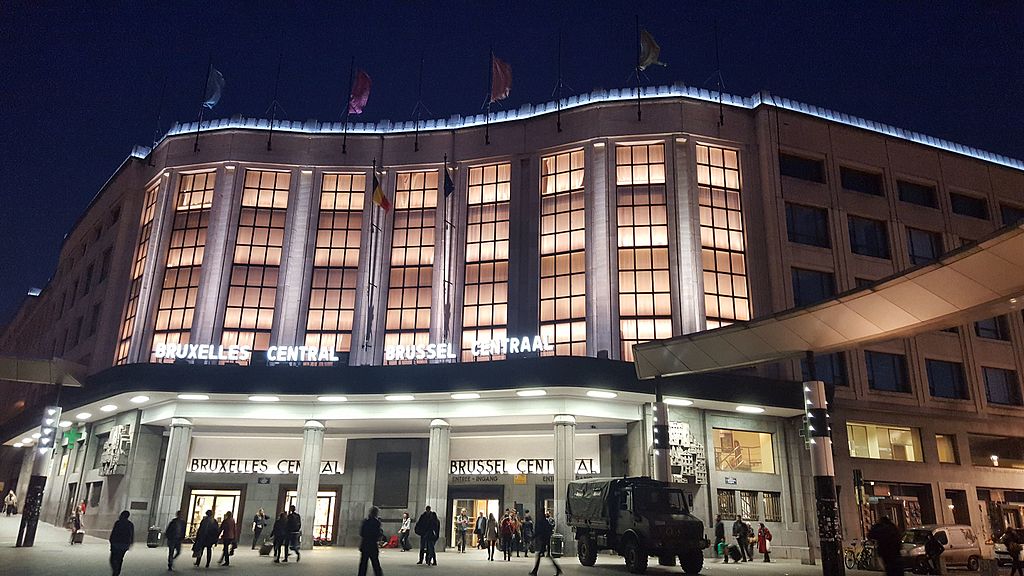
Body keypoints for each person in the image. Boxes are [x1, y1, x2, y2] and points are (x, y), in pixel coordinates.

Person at [529, 510, 561, 576]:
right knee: (545, 556)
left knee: (539, 556)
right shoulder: (546, 521)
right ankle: (557, 569)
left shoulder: (541, 522)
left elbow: (538, 531)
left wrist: (532, 537)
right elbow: (550, 528)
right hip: (547, 539)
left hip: (544, 540)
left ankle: (535, 571)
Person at [358, 506, 384, 576]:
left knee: (363, 563)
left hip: (365, 544)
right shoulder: (377, 522)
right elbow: (378, 534)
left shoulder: (365, 522)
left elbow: (361, 533)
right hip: (373, 545)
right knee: (375, 563)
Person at [109, 510, 134, 576]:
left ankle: (115, 571)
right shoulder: (130, 524)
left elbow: (114, 533)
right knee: (120, 558)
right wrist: (130, 543)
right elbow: (132, 535)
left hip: (116, 543)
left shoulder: (118, 523)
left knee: (113, 559)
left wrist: (111, 541)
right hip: (124, 544)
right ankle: (117, 571)